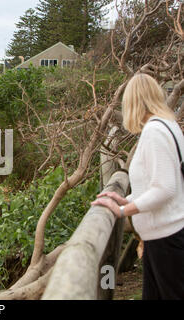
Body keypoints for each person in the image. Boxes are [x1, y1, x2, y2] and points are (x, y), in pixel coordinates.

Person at [91, 73, 184, 300]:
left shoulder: (154, 132)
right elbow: (158, 184)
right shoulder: (169, 126)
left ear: (133, 102)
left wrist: (122, 211)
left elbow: (165, 189)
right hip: (162, 238)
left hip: (167, 240)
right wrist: (127, 199)